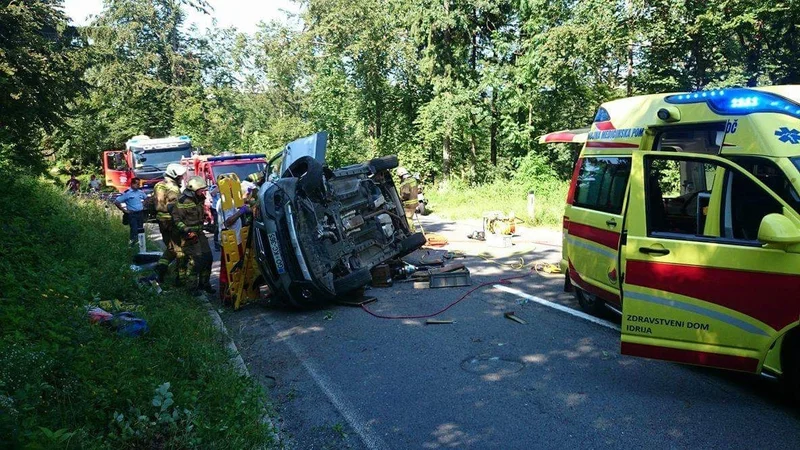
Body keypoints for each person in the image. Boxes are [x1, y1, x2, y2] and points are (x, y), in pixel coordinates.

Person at [215, 176, 257, 303]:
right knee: (227, 269)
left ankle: (239, 293)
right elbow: (228, 222)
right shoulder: (226, 203)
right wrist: (241, 212)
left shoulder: (232, 201)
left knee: (239, 267)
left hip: (237, 239)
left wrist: (251, 208)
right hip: (230, 241)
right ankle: (227, 296)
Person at [172, 176, 215, 295]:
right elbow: (176, 220)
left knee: (208, 258)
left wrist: (206, 218)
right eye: (201, 190)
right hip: (189, 236)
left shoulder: (199, 198)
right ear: (193, 189)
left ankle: (204, 284)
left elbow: (199, 214)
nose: (204, 192)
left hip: (200, 233)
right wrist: (187, 231)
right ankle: (191, 288)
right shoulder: (182, 201)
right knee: (196, 260)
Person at [153, 163, 188, 284]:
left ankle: (161, 268)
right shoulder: (173, 188)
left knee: (171, 248)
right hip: (172, 221)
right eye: (180, 176)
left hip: (161, 220)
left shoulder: (159, 185)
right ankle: (180, 278)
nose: (182, 178)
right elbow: (174, 206)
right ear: (174, 176)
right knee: (180, 250)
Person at [114, 177, 148, 245]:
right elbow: (117, 202)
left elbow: (146, 198)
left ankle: (141, 245)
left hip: (140, 213)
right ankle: (132, 244)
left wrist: (143, 205)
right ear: (132, 184)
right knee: (134, 230)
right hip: (132, 214)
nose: (138, 185)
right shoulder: (127, 193)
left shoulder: (140, 192)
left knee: (140, 229)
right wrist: (124, 210)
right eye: (137, 184)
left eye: (139, 184)